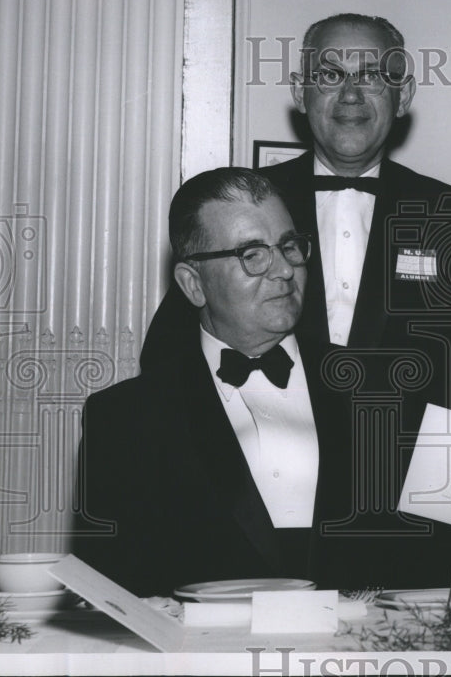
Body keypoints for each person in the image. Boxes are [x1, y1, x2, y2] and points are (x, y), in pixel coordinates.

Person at [137, 14, 451, 585]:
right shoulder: (246, 207)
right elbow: (170, 359)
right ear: (299, 90)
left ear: (404, 93)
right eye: (331, 72)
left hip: (412, 537)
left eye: (373, 75)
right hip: (249, 536)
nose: (352, 93)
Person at [74, 168, 349, 595]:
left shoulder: (378, 390)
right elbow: (111, 593)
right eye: (252, 254)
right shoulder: (124, 420)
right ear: (193, 284)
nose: (284, 270)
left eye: (288, 246)